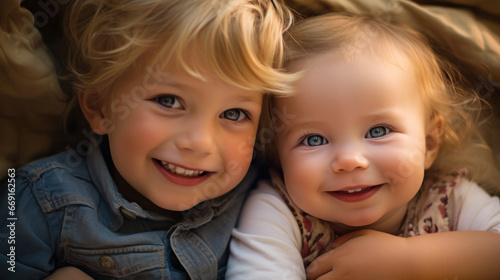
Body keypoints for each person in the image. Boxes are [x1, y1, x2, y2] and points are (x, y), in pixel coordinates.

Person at [0, 0, 294, 279]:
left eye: (233, 113)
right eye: (168, 101)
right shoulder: (34, 200)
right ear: (100, 106)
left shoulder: (269, 196)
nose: (200, 142)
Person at [226, 13, 500, 280]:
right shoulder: (278, 210)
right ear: (278, 155)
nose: (350, 160)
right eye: (314, 140)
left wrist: (409, 260)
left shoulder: (448, 198)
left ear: (428, 143)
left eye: (378, 131)